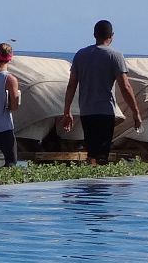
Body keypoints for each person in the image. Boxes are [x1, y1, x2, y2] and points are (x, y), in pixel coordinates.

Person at [59, 20, 143, 164]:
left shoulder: (81, 54)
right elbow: (125, 86)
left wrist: (67, 111)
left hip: (86, 111)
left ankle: (91, 182)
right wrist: (136, 112)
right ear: (112, 36)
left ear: (94, 35)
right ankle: (98, 183)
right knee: (102, 154)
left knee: (92, 151)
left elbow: (71, 84)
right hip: (105, 111)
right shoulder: (115, 55)